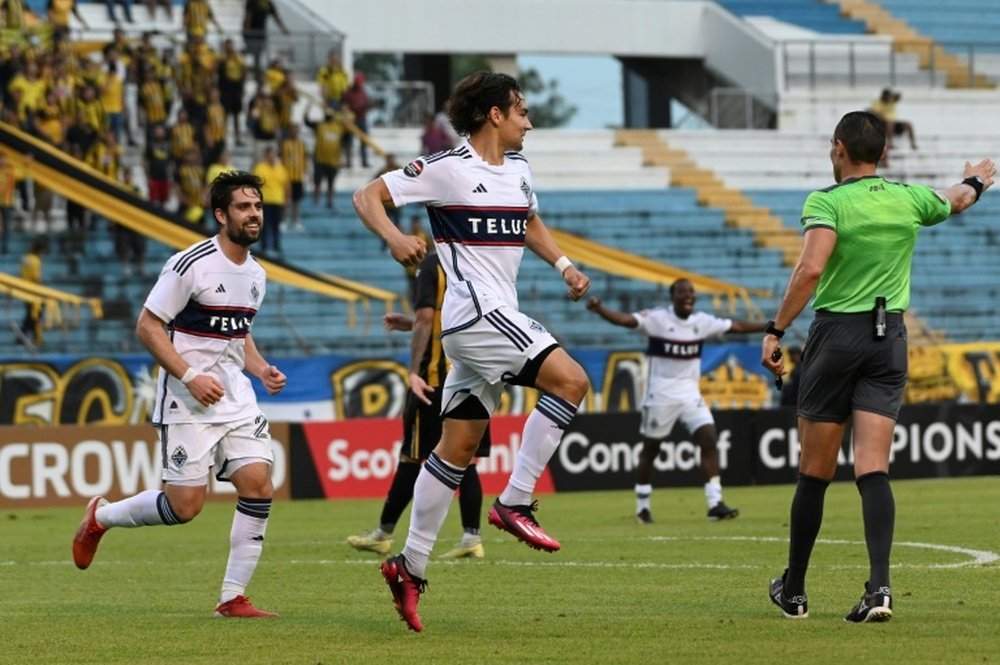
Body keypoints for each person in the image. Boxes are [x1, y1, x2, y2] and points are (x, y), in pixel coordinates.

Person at [354, 71, 591, 633]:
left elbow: (528, 221)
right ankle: (515, 502)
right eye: (522, 112)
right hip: (475, 316)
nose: (529, 122)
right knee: (572, 381)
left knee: (456, 448)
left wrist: (563, 265)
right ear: (494, 115)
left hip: (485, 325)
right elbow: (368, 195)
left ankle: (407, 567)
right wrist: (394, 237)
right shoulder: (445, 167)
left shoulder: (519, 171)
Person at [760, 110, 995, 623]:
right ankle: (880, 589)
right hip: (889, 340)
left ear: (838, 148)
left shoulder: (826, 201)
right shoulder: (908, 197)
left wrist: (776, 329)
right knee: (873, 466)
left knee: (815, 472)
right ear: (884, 153)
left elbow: (812, 267)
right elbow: (956, 199)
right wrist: (978, 177)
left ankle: (795, 590)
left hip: (837, 335)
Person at [72, 170, 287, 618]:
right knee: (184, 506)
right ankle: (101, 517)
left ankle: (232, 597)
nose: (254, 214)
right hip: (186, 399)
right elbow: (148, 327)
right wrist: (190, 375)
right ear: (220, 214)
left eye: (258, 206)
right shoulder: (190, 265)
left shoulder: (257, 275)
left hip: (235, 399)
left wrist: (262, 368)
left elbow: (237, 335)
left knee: (259, 484)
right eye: (244, 207)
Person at [348, 252, 491, 561]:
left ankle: (383, 534)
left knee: (412, 458)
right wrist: (410, 323)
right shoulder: (479, 259)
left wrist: (414, 371)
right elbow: (454, 316)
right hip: (476, 376)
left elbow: (429, 316)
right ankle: (471, 537)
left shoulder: (433, 263)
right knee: (465, 458)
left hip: (434, 380)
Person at [585, 280, 765, 523]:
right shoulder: (658, 319)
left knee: (709, 438)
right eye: (682, 292)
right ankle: (642, 507)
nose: (688, 295)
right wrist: (600, 310)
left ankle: (715, 504)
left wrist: (769, 326)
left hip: (690, 394)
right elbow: (626, 320)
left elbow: (737, 326)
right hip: (660, 395)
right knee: (652, 449)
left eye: (691, 292)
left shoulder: (701, 322)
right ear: (673, 297)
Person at [869, 88, 917, 155]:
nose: (888, 98)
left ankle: (913, 144)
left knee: (908, 124)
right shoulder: (877, 103)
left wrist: (892, 95)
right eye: (887, 97)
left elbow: (899, 96)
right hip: (882, 123)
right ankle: (890, 143)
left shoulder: (891, 101)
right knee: (889, 122)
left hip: (893, 123)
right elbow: (874, 113)